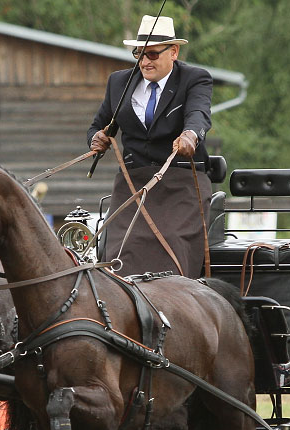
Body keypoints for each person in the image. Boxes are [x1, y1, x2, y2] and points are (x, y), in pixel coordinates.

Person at [88, 15, 213, 278]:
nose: (144, 62)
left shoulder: (195, 79)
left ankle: (178, 301)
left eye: (153, 54)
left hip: (180, 180)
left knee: (171, 240)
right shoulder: (118, 83)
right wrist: (96, 139)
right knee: (120, 248)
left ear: (174, 52)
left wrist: (190, 135)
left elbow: (198, 115)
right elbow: (99, 125)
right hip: (133, 183)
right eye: (139, 54)